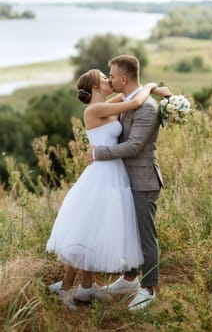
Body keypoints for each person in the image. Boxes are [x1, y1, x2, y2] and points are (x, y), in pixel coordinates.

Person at [46, 68, 169, 309]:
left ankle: (86, 286)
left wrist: (149, 91)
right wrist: (152, 85)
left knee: (94, 230)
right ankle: (67, 289)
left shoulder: (105, 104)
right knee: (87, 231)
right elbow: (135, 102)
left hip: (113, 174)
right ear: (94, 87)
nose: (108, 79)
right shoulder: (95, 109)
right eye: (104, 77)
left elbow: (127, 99)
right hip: (101, 175)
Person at [86, 55, 172, 311]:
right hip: (125, 180)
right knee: (130, 233)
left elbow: (134, 146)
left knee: (146, 237)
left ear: (123, 78)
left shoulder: (147, 108)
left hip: (144, 180)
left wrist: (97, 153)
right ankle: (130, 279)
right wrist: (151, 86)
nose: (109, 79)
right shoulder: (126, 101)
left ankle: (149, 289)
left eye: (111, 76)